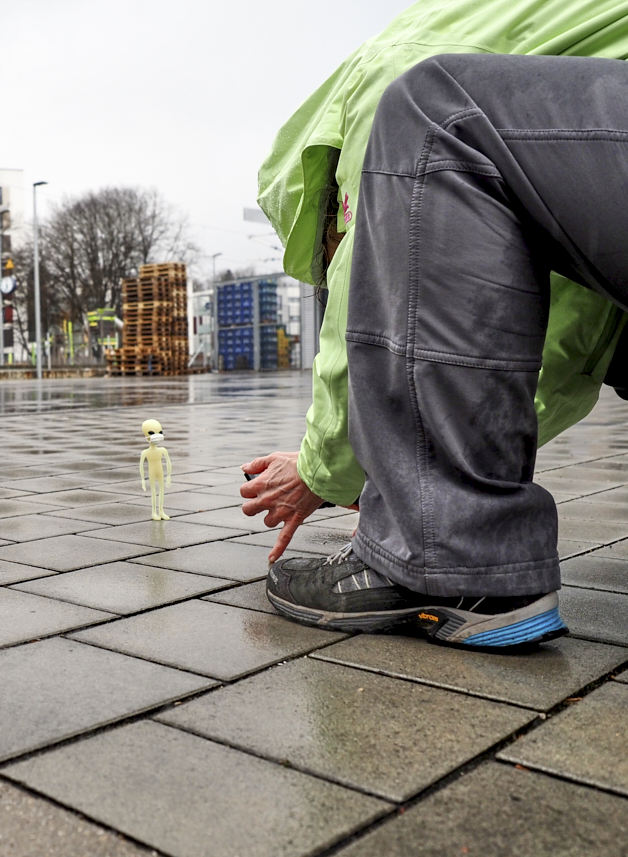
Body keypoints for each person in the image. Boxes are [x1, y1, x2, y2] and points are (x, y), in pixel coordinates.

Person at [241, 0, 628, 648]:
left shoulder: (381, 74)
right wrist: (400, 469)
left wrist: (322, 467)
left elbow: (386, 291)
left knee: (428, 113)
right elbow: (558, 353)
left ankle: (452, 567)